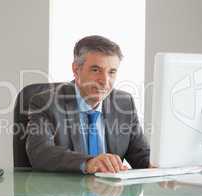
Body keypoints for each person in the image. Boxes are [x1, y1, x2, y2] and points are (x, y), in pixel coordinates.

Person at [25, 35, 150, 173]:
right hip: (66, 191)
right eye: (96, 70)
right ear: (76, 70)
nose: (104, 80)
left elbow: (141, 155)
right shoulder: (46, 103)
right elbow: (40, 153)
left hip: (111, 193)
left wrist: (163, 167)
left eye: (112, 72)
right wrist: (88, 163)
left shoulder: (124, 103)